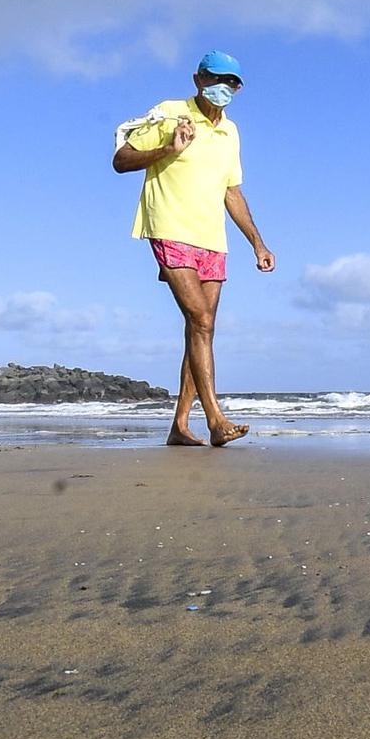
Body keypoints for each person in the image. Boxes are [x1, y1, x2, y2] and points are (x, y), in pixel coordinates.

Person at [112, 49, 275, 446]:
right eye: (215, 79)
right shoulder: (170, 113)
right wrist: (169, 149)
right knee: (201, 321)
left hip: (212, 239)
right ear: (198, 79)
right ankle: (216, 420)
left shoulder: (230, 132)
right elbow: (121, 159)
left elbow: (231, 191)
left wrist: (257, 242)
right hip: (169, 227)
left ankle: (180, 426)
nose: (223, 88)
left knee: (200, 328)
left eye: (231, 82)